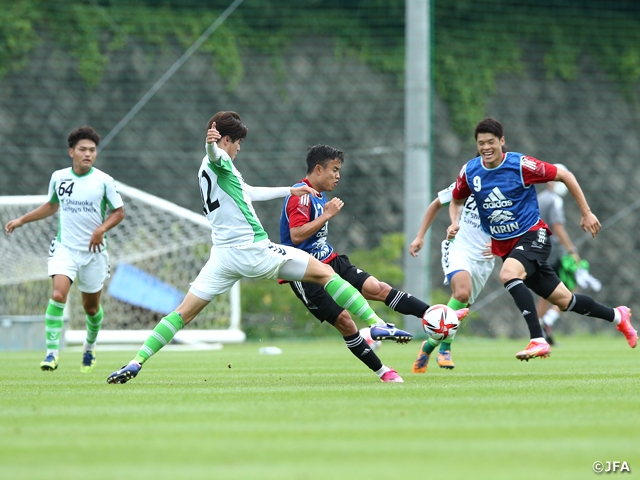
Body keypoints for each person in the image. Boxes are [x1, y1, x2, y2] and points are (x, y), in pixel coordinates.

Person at [107, 112, 410, 384]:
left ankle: (137, 362)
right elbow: (216, 155)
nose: (239, 148)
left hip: (223, 256)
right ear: (227, 140)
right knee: (325, 273)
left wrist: (289, 190)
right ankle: (377, 323)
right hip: (252, 250)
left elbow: (248, 192)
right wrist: (211, 144)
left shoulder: (215, 172)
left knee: (182, 313)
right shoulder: (219, 159)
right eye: (237, 142)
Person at [447, 117, 636, 360]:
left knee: (508, 274)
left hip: (533, 236)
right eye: (481, 143)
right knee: (565, 300)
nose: (486, 147)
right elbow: (456, 199)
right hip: (506, 246)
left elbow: (565, 175)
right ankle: (618, 316)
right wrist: (455, 222)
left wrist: (586, 212)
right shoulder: (471, 170)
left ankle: (538, 339)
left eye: (491, 142)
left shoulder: (520, 165)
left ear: (502, 141)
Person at [279, 144, 446, 383]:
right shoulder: (301, 196)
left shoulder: (317, 194)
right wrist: (327, 215)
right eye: (334, 170)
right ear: (318, 169)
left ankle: (433, 315)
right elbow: (296, 235)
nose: (338, 176)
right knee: (346, 322)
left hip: (329, 260)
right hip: (305, 272)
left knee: (378, 288)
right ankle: (384, 372)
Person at [5, 126, 125, 372]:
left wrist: (101, 229)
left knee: (90, 309)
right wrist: (22, 220)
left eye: (92, 150)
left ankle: (89, 348)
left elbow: (119, 212)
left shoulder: (104, 181)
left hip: (94, 254)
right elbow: (51, 206)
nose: (88, 154)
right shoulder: (59, 177)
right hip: (65, 248)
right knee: (58, 294)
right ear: (72, 152)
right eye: (83, 149)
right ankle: (51, 354)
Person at [409, 181, 494, 373]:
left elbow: (517, 225)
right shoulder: (469, 180)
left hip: (485, 257)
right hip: (458, 248)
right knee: (462, 294)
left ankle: (429, 346)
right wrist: (420, 236)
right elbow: (436, 204)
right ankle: (445, 350)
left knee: (463, 308)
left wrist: (500, 246)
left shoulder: (508, 190)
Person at [535, 164, 584, 345]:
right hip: (554, 250)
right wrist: (571, 249)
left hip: (539, 248)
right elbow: (557, 226)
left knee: (545, 292)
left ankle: (538, 332)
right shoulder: (555, 200)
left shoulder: (539, 198)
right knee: (571, 286)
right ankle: (548, 320)